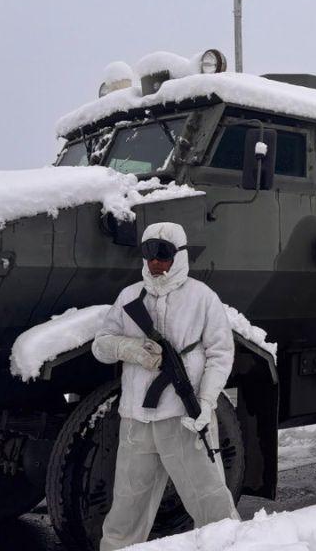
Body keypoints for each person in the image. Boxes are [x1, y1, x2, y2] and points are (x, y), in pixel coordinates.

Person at [92, 222, 239, 551]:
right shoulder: (130, 297)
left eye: (164, 254)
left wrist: (206, 401)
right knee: (126, 512)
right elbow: (100, 346)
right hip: (136, 419)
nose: (156, 262)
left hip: (183, 418)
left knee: (210, 502)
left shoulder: (201, 298)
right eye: (149, 253)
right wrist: (128, 349)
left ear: (181, 256)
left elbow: (221, 353)